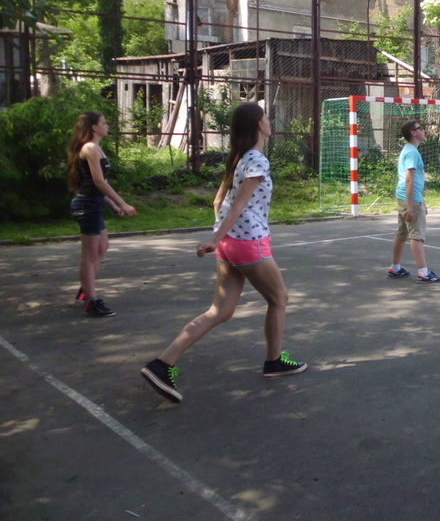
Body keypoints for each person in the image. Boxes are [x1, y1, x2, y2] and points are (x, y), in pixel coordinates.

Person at [140, 103, 306, 403]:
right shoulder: (256, 160)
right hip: (248, 241)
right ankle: (274, 361)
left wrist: (220, 237)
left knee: (221, 311)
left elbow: (219, 202)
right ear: (258, 125)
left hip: (232, 242)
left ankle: (162, 363)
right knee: (279, 298)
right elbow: (238, 205)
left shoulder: (239, 159)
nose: (269, 122)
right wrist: (215, 239)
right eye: (266, 118)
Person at [67, 111, 137, 318]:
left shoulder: (97, 148)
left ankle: (86, 288)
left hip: (94, 203)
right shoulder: (89, 148)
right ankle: (91, 301)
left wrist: (113, 206)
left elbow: (100, 183)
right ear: (94, 127)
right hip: (86, 205)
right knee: (89, 255)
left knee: (103, 247)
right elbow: (97, 182)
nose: (107, 126)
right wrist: (123, 203)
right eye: (104, 123)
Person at [387, 120, 440, 283]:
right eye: (420, 128)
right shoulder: (412, 152)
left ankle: (395, 268)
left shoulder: (408, 149)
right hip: (410, 199)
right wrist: (412, 207)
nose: (423, 130)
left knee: (401, 234)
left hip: (404, 197)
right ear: (413, 133)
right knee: (417, 236)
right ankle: (423, 273)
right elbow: (409, 179)